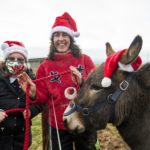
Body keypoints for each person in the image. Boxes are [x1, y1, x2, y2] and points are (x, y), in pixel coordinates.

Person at [18, 12, 97, 150]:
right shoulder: (45, 66)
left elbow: (96, 90)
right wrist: (34, 92)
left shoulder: (85, 60)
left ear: (71, 38)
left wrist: (81, 82)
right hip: (57, 125)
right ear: (52, 39)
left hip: (83, 121)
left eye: (64, 35)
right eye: (57, 35)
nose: (60, 39)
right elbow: (42, 97)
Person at [0, 41, 43, 150]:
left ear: (25, 62)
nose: (16, 62)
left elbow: (40, 102)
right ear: (6, 61)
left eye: (20, 60)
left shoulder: (32, 80)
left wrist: (31, 111)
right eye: (12, 59)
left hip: (22, 137)